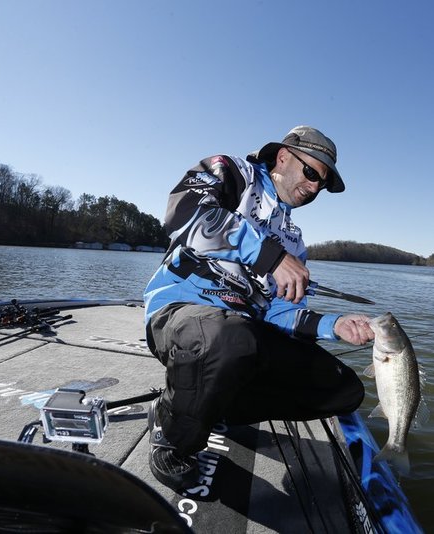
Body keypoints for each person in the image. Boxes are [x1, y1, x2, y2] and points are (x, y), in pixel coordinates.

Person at [143, 125, 374, 491]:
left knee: (345, 389)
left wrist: (335, 325)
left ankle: (210, 404)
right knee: (231, 338)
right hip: (181, 312)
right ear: (283, 156)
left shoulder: (294, 241)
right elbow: (184, 213)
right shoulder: (230, 172)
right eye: (312, 173)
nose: (314, 187)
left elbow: (280, 314)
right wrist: (269, 255)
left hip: (243, 332)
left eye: (322, 184)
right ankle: (173, 434)